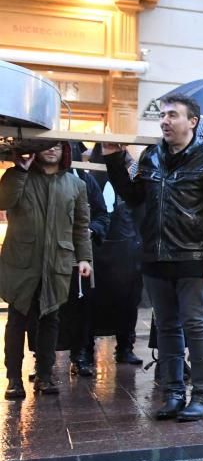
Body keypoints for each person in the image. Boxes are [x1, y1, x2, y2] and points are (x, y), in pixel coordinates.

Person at [102, 95, 203, 421]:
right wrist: (113, 160)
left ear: (193, 122)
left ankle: (202, 395)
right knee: (168, 328)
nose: (165, 121)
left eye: (173, 115)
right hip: (155, 257)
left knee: (196, 325)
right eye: (162, 115)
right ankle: (174, 393)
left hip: (193, 256)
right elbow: (133, 197)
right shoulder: (152, 155)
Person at [1, 141, 93, 399]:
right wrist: (19, 170)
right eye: (46, 145)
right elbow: (3, 201)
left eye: (58, 146)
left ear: (66, 151)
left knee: (50, 319)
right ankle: (13, 379)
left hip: (57, 263)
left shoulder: (76, 185)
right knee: (18, 319)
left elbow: (81, 225)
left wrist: (85, 257)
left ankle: (44, 375)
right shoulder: (18, 175)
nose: (51, 150)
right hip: (21, 261)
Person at [87, 144, 144, 367]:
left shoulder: (131, 170)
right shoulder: (89, 174)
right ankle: (85, 348)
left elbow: (137, 206)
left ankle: (125, 347)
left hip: (126, 245)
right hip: (98, 243)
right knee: (91, 300)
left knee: (127, 301)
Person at [57, 141, 108, 378]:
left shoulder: (85, 180)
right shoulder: (38, 177)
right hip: (48, 256)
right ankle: (43, 360)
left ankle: (81, 356)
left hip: (79, 256)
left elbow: (101, 214)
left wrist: (92, 231)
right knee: (45, 309)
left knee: (80, 309)